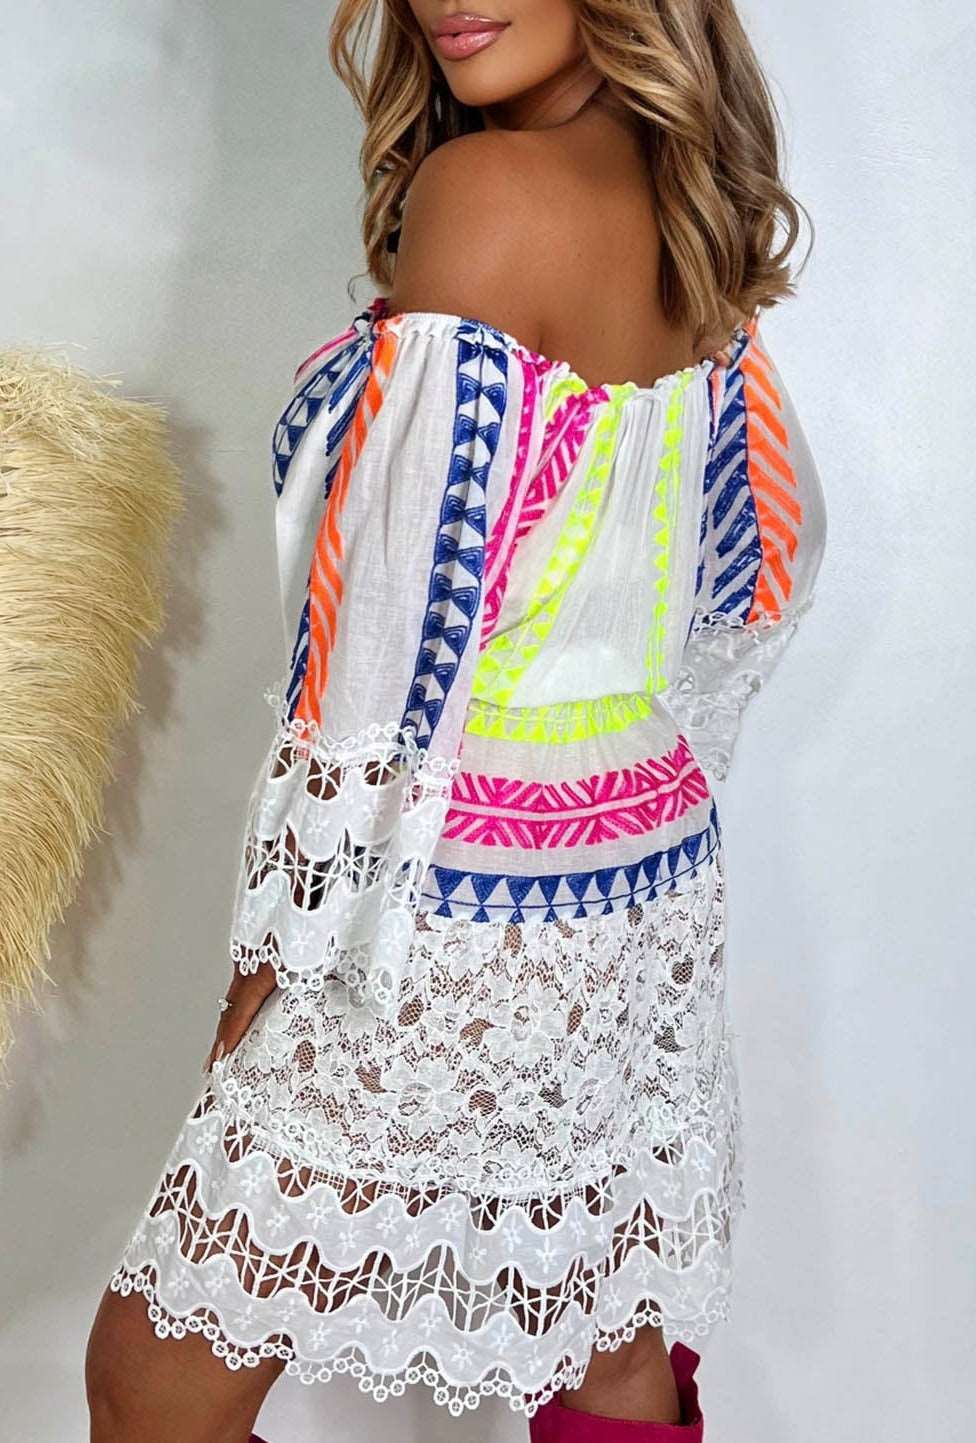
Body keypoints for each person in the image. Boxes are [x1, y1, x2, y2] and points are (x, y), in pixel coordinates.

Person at [85, 1, 827, 1439]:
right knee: (606, 1339)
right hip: (639, 879)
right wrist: (630, 757)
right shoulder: (691, 211)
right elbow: (765, 567)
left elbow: (385, 649)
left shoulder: (485, 193)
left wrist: (277, 953)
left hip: (446, 894)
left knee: (152, 1378)